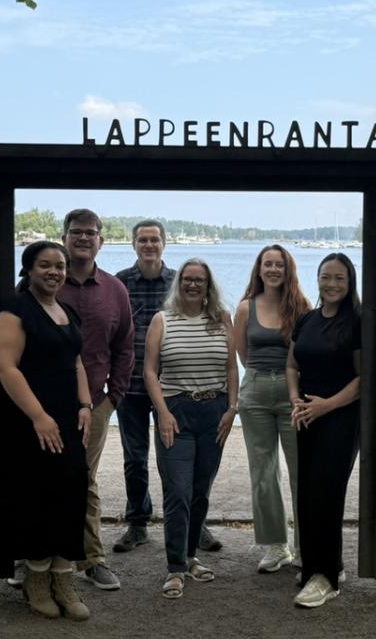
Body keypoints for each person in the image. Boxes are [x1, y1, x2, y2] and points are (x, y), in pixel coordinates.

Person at [0, 240, 92, 620]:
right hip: (30, 421)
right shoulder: (14, 312)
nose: (54, 272)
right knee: (38, 497)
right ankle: (36, 579)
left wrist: (85, 405)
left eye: (60, 266)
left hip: (68, 418)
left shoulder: (65, 310)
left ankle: (63, 578)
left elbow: (76, 362)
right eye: (45, 266)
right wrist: (39, 416)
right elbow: (5, 367)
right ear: (29, 270)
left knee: (72, 492)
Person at [112, 221, 223, 554]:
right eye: (143, 240)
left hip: (174, 389)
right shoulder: (120, 283)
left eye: (155, 240)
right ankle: (138, 523)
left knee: (184, 462)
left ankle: (194, 523)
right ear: (133, 244)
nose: (149, 245)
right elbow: (111, 331)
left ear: (164, 244)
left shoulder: (178, 282)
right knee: (135, 458)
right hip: (131, 384)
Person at [143, 258, 238, 599]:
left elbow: (231, 368)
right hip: (176, 413)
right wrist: (163, 412)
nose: (193, 284)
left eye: (200, 280)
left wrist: (231, 408)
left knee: (200, 491)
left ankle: (191, 556)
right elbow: (150, 372)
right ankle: (175, 568)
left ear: (208, 285)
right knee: (178, 492)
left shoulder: (222, 320)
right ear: (179, 282)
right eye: (187, 279)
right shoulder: (162, 320)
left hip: (214, 413)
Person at [56, 209, 135, 591]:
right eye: (76, 232)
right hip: (47, 403)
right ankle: (36, 560)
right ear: (65, 237)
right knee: (42, 478)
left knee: (83, 479)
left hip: (98, 404)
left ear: (101, 240)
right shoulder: (47, 280)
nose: (83, 238)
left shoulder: (114, 289)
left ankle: (91, 559)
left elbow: (125, 347)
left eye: (91, 232)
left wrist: (114, 397)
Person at [286, 253, 361, 608]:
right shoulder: (307, 320)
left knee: (327, 495)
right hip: (307, 417)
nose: (331, 285)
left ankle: (327, 578)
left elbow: (364, 379)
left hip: (341, 418)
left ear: (350, 284)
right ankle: (315, 565)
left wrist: (326, 405)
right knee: (306, 493)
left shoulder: (357, 322)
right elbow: (291, 365)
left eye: (339, 279)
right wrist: (295, 401)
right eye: (325, 277)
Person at [232, 245, 310, 573]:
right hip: (256, 392)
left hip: (294, 396)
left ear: (287, 269)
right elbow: (242, 354)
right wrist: (261, 380)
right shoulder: (246, 308)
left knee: (301, 471)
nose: (273, 269)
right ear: (259, 269)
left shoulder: (302, 307)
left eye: (279, 264)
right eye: (268, 264)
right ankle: (277, 546)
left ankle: (308, 546)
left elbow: (307, 352)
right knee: (263, 473)